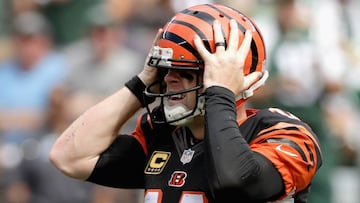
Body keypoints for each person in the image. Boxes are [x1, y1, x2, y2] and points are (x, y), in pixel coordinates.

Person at [49, 3, 322, 203]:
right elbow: (69, 157)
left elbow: (236, 182)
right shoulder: (164, 135)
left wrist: (219, 93)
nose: (169, 79)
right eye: (166, 70)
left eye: (186, 72)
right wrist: (142, 82)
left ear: (230, 77)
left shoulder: (283, 132)